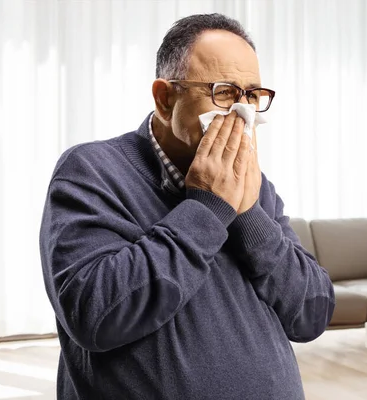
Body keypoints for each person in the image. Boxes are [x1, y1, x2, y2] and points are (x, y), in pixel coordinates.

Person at [39, 13, 335, 400]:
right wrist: (208, 210)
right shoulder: (92, 171)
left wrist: (248, 215)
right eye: (224, 92)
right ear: (165, 99)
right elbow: (94, 316)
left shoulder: (253, 186)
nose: (243, 112)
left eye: (252, 95)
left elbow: (311, 313)